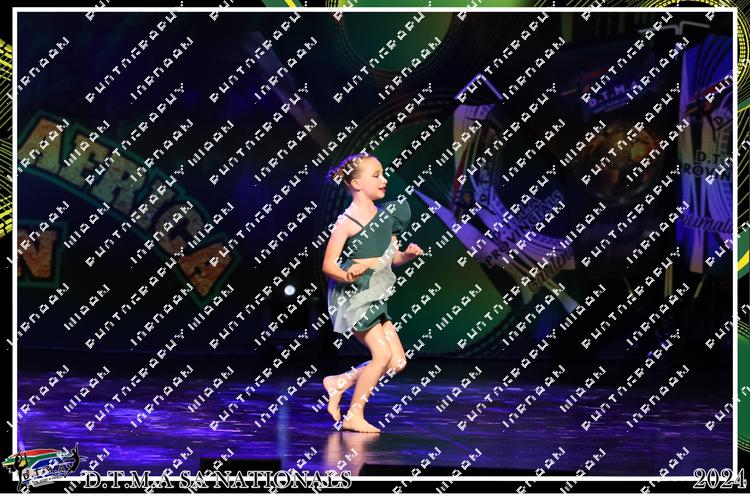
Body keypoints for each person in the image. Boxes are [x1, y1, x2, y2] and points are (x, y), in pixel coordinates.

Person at [321, 152, 423, 433]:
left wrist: (406, 255)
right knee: (381, 356)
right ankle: (354, 415)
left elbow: (391, 258)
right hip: (354, 294)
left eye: (383, 173)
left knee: (397, 361)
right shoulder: (347, 221)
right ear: (356, 183)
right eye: (376, 175)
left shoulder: (388, 216)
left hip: (376, 293)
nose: (384, 179)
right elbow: (328, 264)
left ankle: (340, 382)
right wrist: (347, 274)